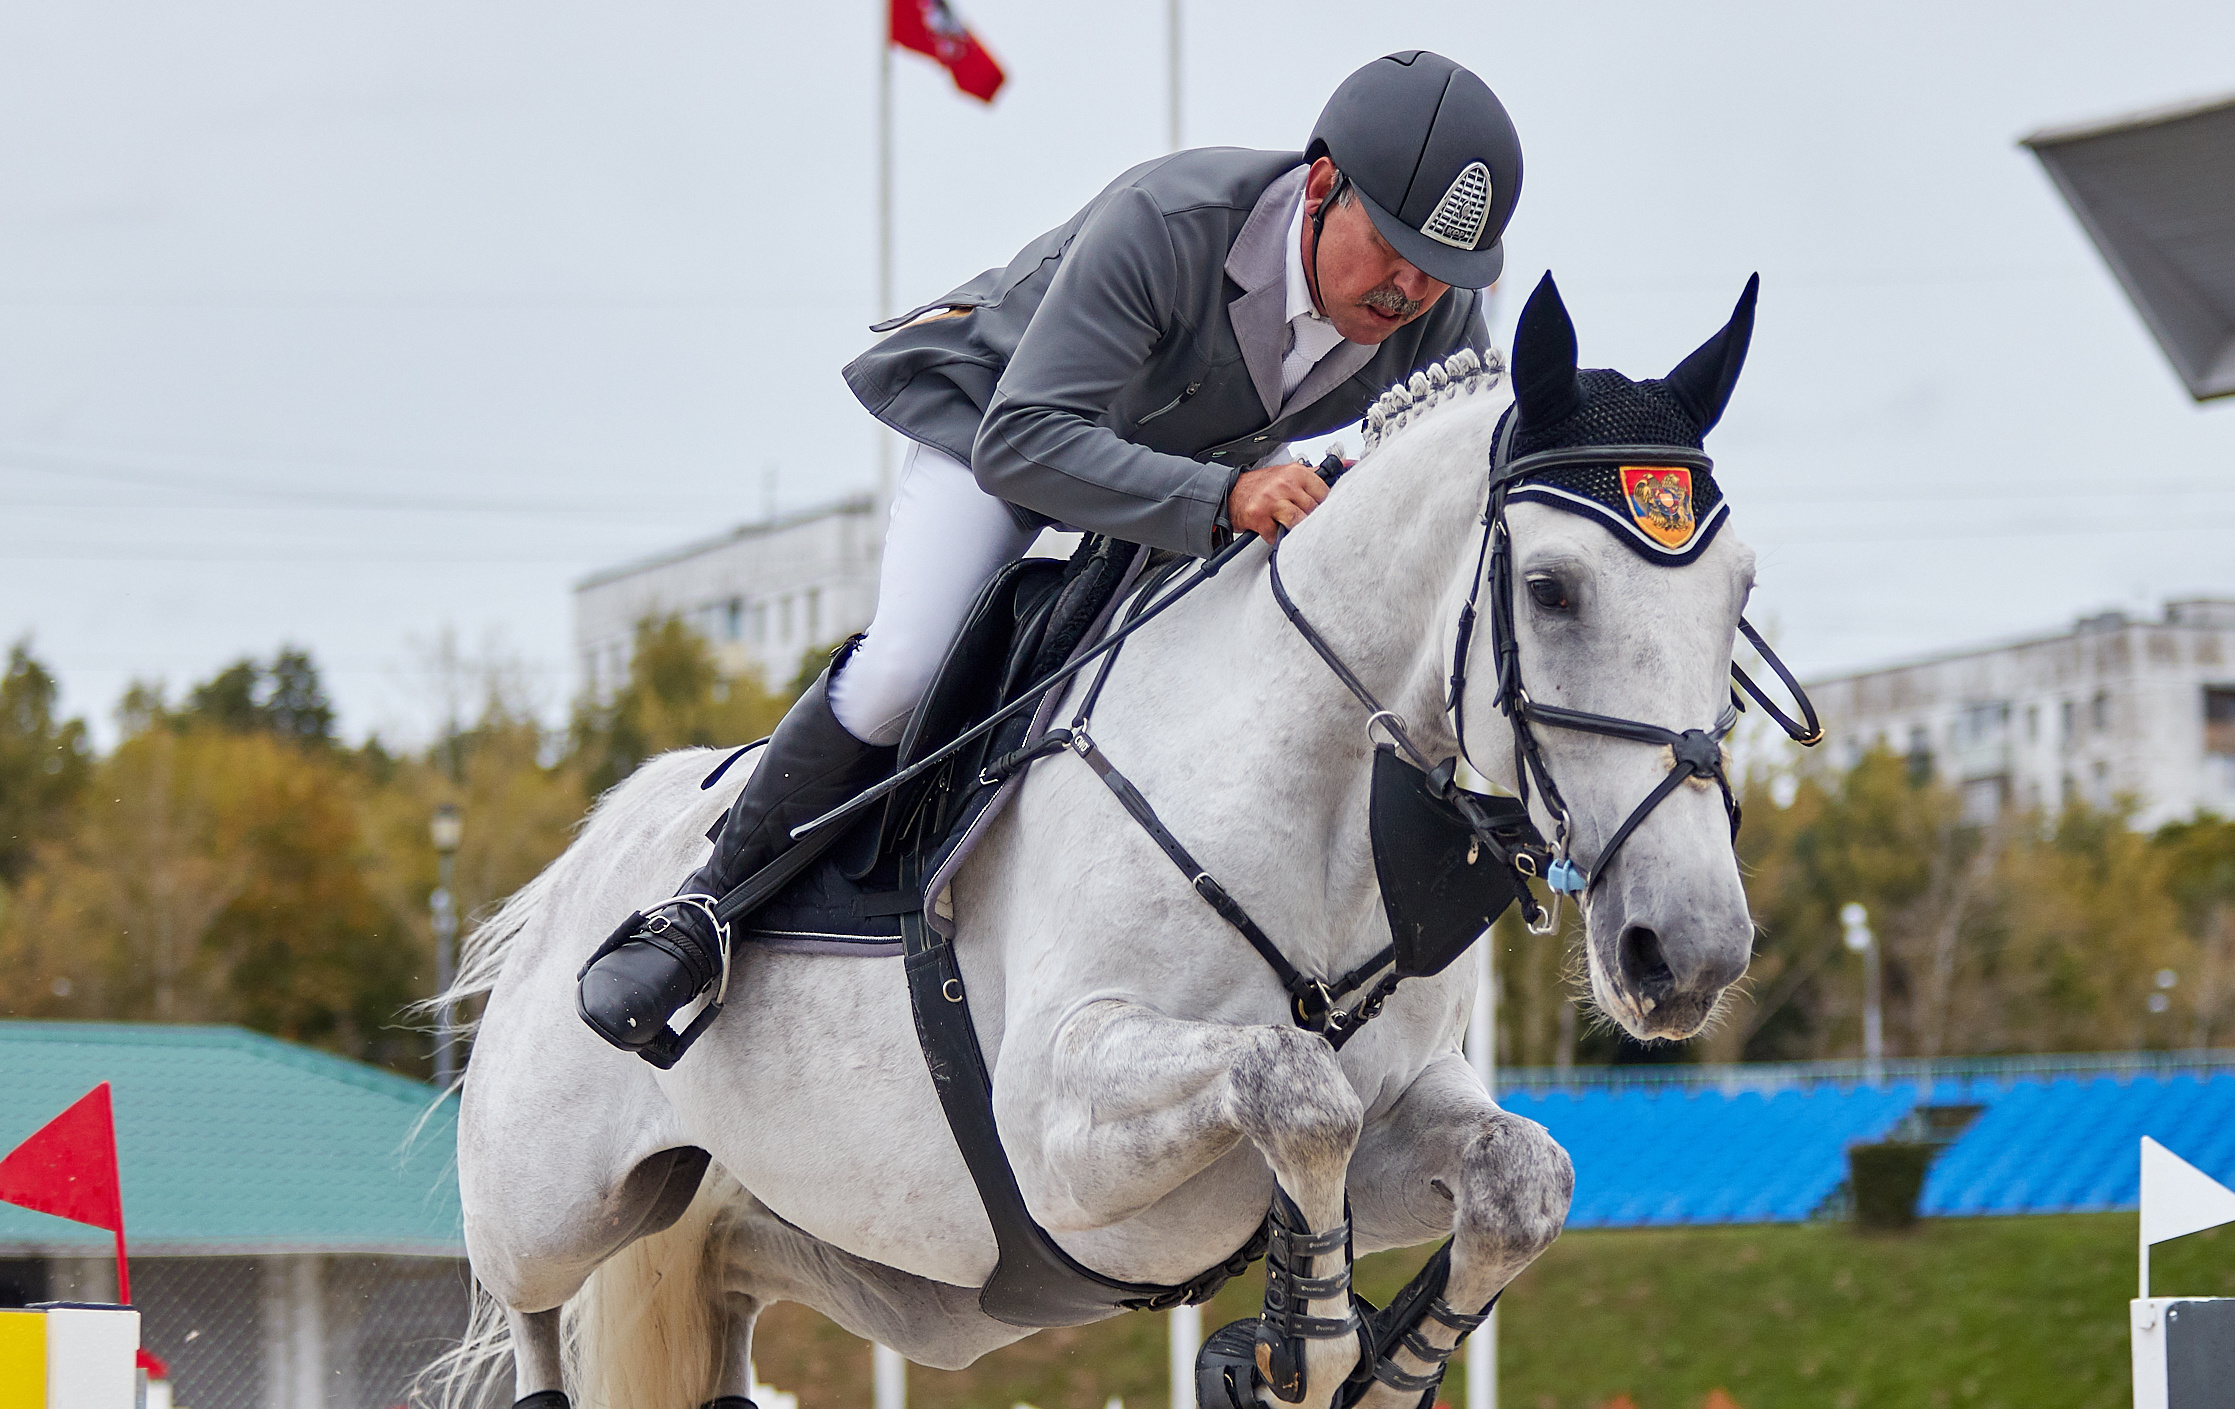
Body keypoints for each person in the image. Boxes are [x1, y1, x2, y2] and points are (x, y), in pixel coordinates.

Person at [577, 51, 1525, 1058]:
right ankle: (707, 907)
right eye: (1392, 249)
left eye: (1441, 268)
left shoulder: (1438, 308)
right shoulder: (1170, 225)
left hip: (1189, 473)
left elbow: (1453, 493)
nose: (1410, 289)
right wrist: (1224, 496)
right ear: (1323, 184)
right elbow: (1023, 441)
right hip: (1007, 429)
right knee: (905, 667)